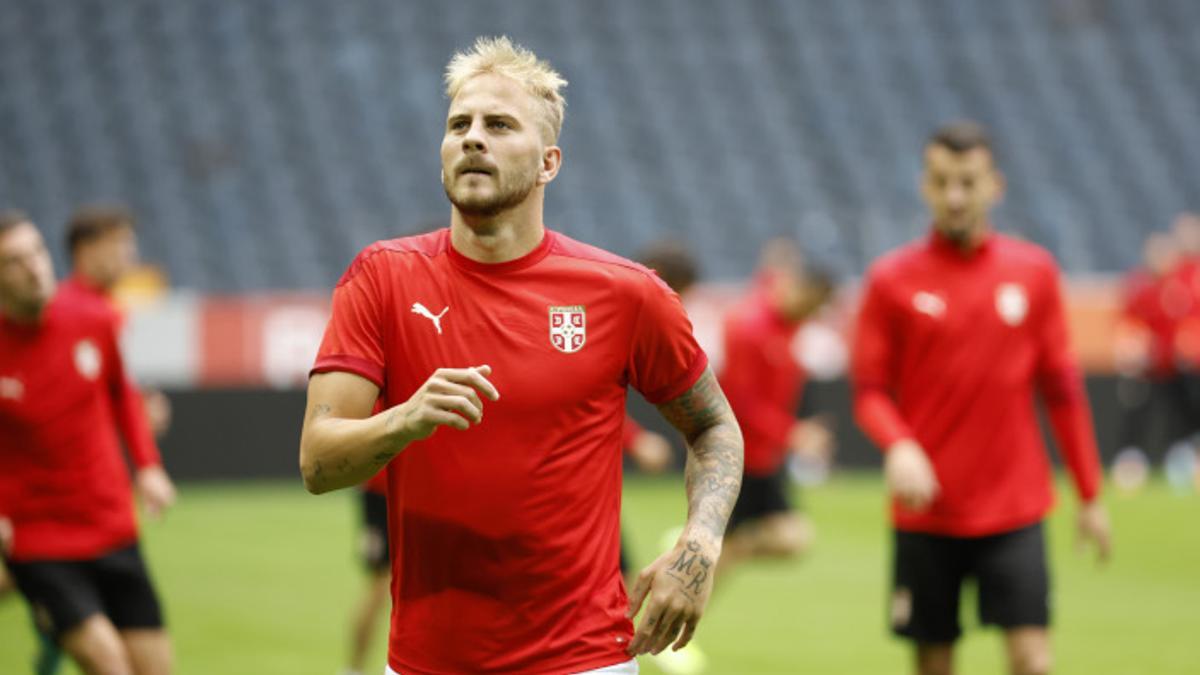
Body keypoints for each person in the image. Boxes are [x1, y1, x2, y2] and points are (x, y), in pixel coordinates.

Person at [299, 36, 743, 675]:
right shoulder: (382, 278)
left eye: (499, 125)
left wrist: (699, 545)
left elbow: (714, 425)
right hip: (427, 662)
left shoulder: (626, 294)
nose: (472, 138)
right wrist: (406, 419)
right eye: (459, 125)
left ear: (549, 163)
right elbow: (317, 462)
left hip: (584, 661)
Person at [851, 122, 1111, 675]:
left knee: (1032, 660)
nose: (955, 196)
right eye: (942, 182)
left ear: (995, 185)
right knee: (934, 664)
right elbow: (870, 393)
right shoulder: (890, 280)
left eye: (967, 182)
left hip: (1014, 509)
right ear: (925, 186)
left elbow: (1062, 390)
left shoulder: (1034, 273)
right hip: (928, 512)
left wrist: (1090, 494)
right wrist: (899, 445)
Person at [0, 212, 174, 675]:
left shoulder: (93, 318)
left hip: (112, 527)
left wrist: (149, 466)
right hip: (40, 542)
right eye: (14, 261)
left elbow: (123, 396)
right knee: (110, 665)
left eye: (36, 252)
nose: (34, 267)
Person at [715, 240, 834, 579]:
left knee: (729, 557)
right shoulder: (752, 326)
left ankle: (704, 557)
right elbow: (739, 399)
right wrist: (791, 433)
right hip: (739, 456)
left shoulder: (787, 324)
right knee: (790, 538)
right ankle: (693, 554)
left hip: (764, 458)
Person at [59, 205, 173, 437]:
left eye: (130, 243)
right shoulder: (68, 310)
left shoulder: (111, 308)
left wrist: (139, 402)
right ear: (86, 250)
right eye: (119, 242)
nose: (130, 253)